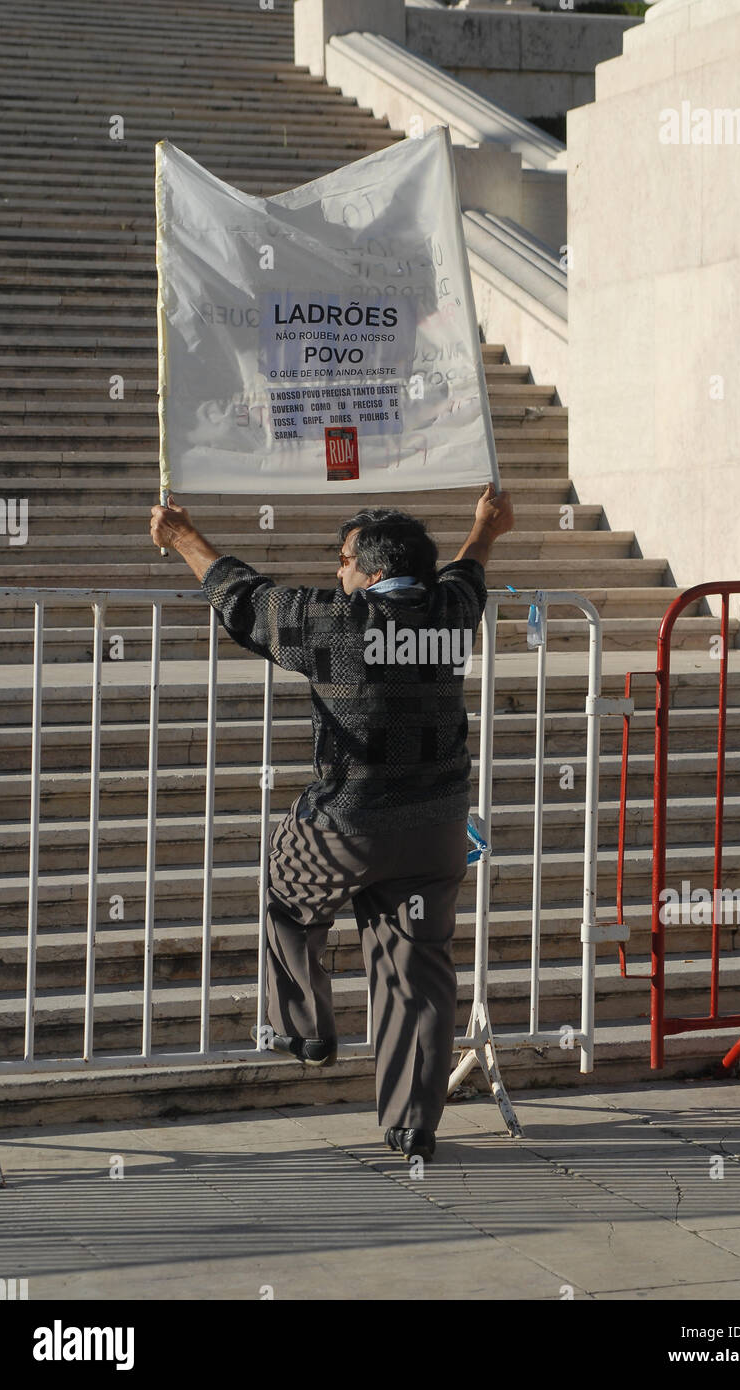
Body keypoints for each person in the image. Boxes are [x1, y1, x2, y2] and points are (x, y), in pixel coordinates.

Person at [150, 482, 515, 1162]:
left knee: (288, 892)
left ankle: (304, 1030)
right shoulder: (451, 612)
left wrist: (181, 538)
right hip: (437, 831)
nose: (336, 572)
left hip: (349, 823)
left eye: (343, 560)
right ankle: (412, 1127)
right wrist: (486, 527)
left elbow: (243, 600)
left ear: (372, 571)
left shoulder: (337, 622)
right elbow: (471, 568)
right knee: (418, 968)